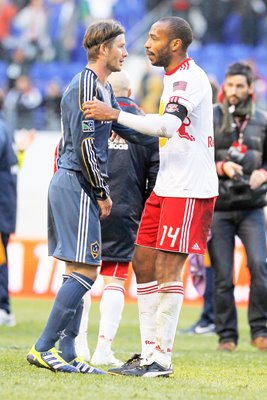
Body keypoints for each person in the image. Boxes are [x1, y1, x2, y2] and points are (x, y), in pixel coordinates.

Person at [83, 16, 218, 377]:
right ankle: (147, 353)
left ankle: (162, 359)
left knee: (167, 267)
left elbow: (167, 127)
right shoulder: (171, 76)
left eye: (155, 38)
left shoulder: (190, 78)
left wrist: (115, 115)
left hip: (190, 187)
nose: (147, 43)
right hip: (168, 184)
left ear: (175, 44)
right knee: (142, 260)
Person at [26, 19, 157, 374]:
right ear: (103, 49)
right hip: (76, 182)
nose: (126, 53)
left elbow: (121, 126)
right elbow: (86, 147)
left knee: (75, 269)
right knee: (87, 270)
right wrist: (101, 191)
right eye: (121, 46)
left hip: (74, 183)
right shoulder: (86, 85)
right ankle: (43, 347)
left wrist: (165, 138)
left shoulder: (104, 89)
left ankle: (67, 353)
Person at [75, 70, 159, 366]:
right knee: (115, 280)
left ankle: (79, 345)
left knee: (80, 276)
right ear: (132, 93)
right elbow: (155, 175)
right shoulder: (146, 126)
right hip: (126, 211)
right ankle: (103, 349)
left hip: (88, 205)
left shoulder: (91, 116)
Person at [207, 62, 267, 352]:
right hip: (217, 208)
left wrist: (264, 173)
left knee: (260, 265)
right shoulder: (210, 117)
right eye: (229, 85)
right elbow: (197, 156)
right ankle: (226, 337)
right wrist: (220, 165)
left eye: (239, 86)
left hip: (252, 207)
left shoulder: (263, 120)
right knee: (222, 275)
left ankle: (260, 331)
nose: (233, 91)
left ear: (250, 89)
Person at [0, 89, 35, 327]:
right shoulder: (6, 127)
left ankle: (3, 308)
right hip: (5, 207)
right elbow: (12, 166)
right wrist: (21, 151)